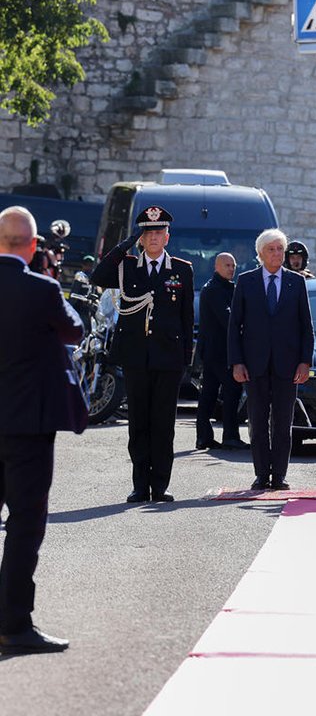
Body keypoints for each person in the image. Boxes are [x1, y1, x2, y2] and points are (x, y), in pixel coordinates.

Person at [0, 206, 85, 654]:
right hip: (27, 424)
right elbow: (74, 329)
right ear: (33, 248)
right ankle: (13, 624)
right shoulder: (43, 288)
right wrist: (47, 277)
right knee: (25, 523)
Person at [91, 206, 194, 503]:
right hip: (136, 357)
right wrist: (126, 244)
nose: (153, 238)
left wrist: (186, 359)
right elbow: (99, 275)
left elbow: (186, 317)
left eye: (158, 232)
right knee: (138, 423)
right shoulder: (127, 266)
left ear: (167, 236)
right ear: (141, 237)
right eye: (148, 232)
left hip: (168, 358)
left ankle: (160, 485)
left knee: (163, 424)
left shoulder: (181, 269)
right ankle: (140, 485)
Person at [228, 229, 314, 490]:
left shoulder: (296, 282)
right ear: (261, 254)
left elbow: (305, 326)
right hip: (254, 364)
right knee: (257, 420)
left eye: (280, 249)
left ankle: (279, 475)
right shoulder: (246, 281)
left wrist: (304, 362)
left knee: (283, 422)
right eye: (271, 249)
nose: (277, 254)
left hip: (287, 365)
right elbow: (235, 326)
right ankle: (261, 473)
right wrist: (237, 362)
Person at [195, 253, 247, 450]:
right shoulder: (214, 289)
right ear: (216, 266)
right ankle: (229, 436)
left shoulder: (226, 287)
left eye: (233, 265)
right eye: (227, 265)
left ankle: (204, 437)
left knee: (209, 394)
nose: (231, 269)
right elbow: (228, 318)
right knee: (230, 392)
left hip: (216, 351)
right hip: (219, 352)